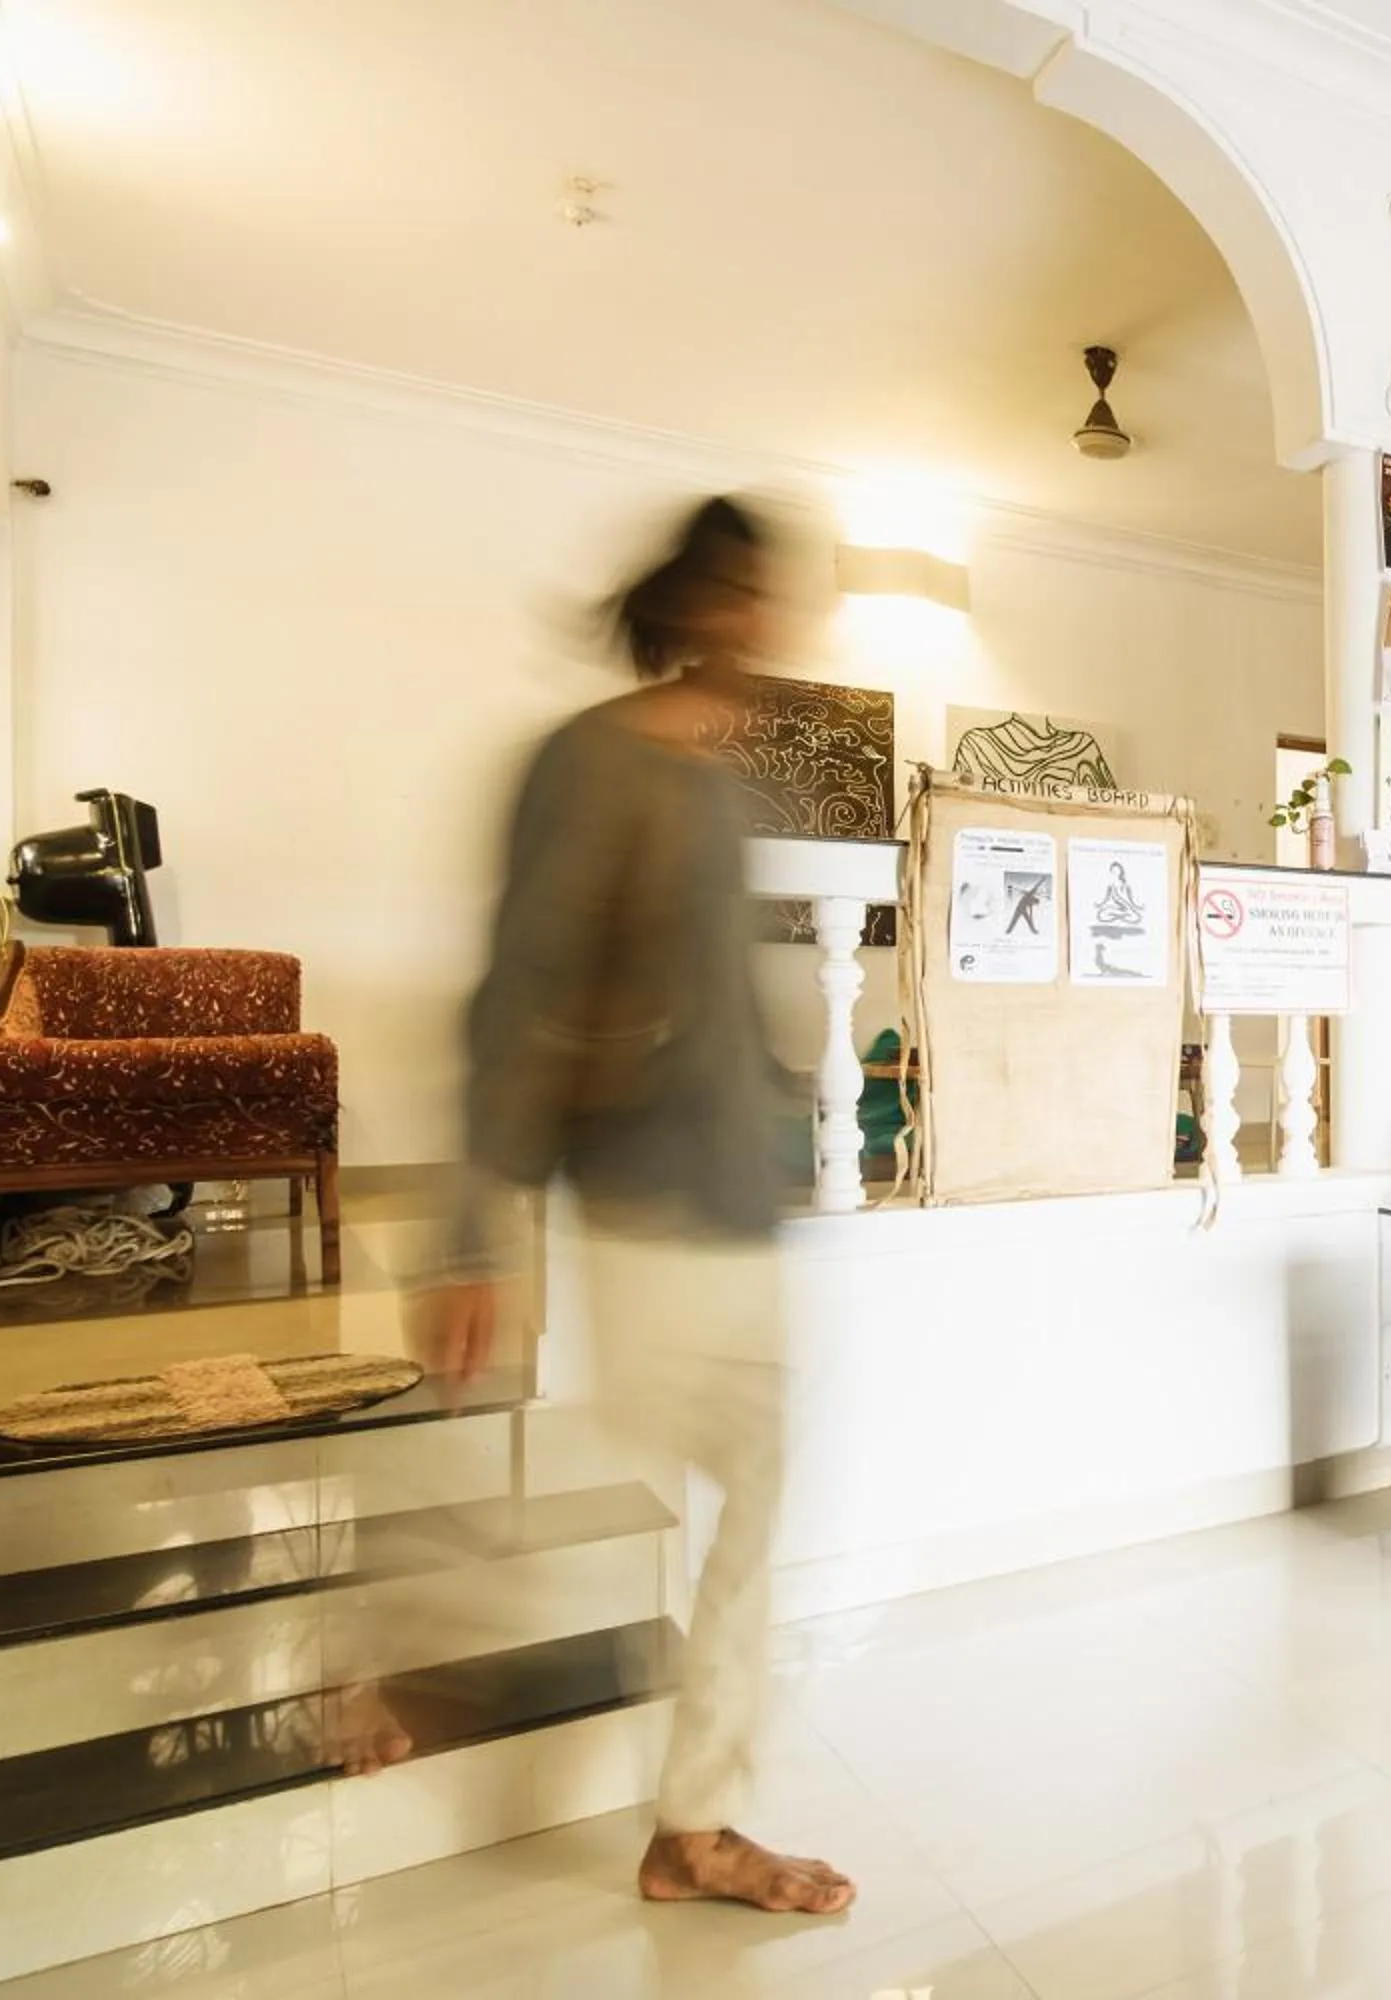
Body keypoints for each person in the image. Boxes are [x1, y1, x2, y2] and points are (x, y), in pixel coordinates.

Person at [408, 495, 854, 1916]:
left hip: (732, 1196)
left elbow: (717, 1005)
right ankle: (439, 1658)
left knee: (743, 1474)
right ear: (698, 604)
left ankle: (686, 1820)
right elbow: (522, 994)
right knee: (657, 1463)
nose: (768, 621)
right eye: (749, 595)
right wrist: (481, 1227)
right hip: (644, 1192)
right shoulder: (585, 765)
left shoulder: (721, 791)